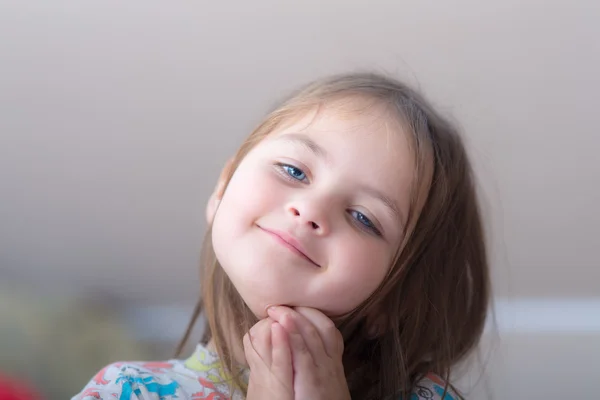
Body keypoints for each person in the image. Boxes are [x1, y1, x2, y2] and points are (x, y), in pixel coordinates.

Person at [72, 72, 490, 400]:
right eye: (294, 171)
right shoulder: (126, 392)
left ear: (393, 301)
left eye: (363, 217)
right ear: (222, 189)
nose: (311, 210)